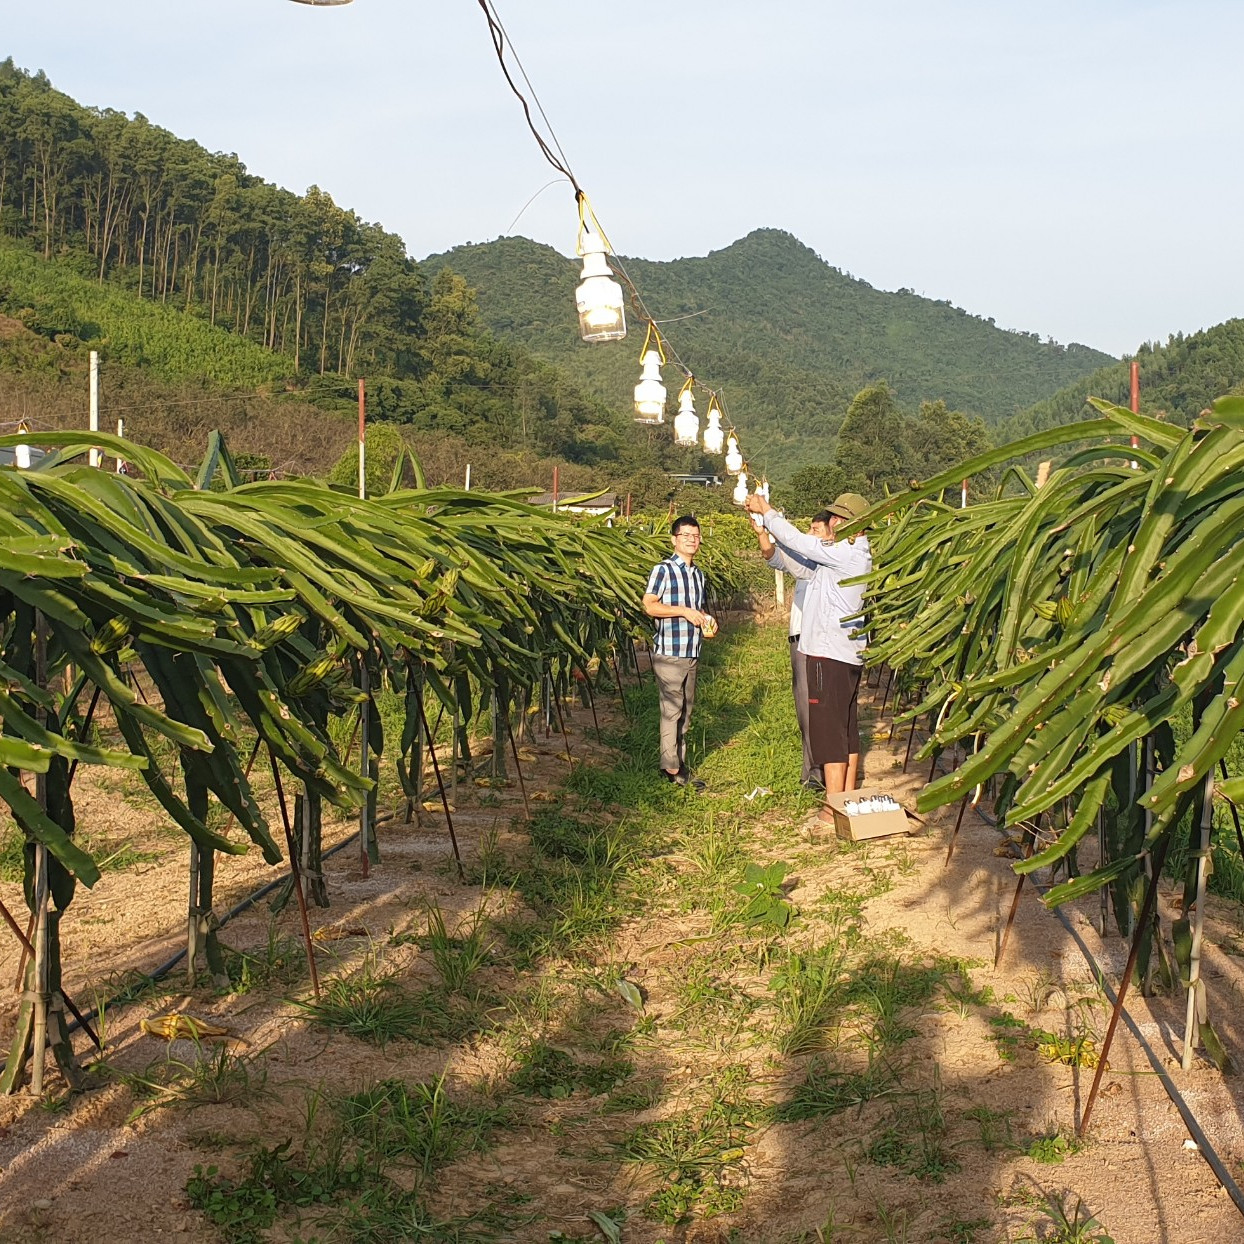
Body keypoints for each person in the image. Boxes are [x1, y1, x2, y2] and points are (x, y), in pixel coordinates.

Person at [744, 491, 871, 810]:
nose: (834, 522)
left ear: (852, 525)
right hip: (847, 653)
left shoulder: (847, 553)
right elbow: (797, 563)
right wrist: (765, 532)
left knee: (830, 734)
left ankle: (833, 809)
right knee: (846, 728)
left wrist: (768, 511)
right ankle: (847, 799)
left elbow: (801, 543)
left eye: (839, 519)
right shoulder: (845, 556)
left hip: (829, 654)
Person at [756, 511, 831, 790]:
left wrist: (767, 510)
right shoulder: (807, 560)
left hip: (816, 641)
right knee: (804, 707)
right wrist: (762, 531)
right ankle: (811, 770)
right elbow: (772, 556)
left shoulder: (825, 562)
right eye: (809, 529)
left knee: (818, 706)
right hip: (798, 641)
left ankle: (821, 771)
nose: (810, 534)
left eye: (816, 529)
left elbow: (786, 549)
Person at [642, 515, 710, 789]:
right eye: (686, 536)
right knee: (672, 709)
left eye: (695, 536)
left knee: (686, 711)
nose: (692, 540)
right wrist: (682, 611)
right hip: (670, 651)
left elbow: (699, 609)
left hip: (691, 649)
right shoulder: (664, 570)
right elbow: (649, 605)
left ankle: (677, 762)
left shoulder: (698, 575)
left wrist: (707, 620)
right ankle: (671, 768)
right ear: (674, 539)